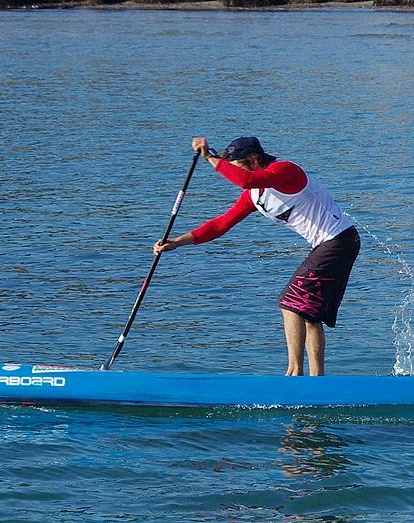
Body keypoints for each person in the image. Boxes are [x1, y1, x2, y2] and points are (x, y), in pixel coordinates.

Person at [154, 136, 360, 376]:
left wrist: (210, 157)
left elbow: (246, 180)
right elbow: (220, 225)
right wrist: (177, 242)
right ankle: (318, 382)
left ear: (254, 159)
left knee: (291, 304)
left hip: (338, 241)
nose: (234, 173)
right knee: (308, 314)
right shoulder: (254, 196)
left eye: (237, 166)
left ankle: (293, 375)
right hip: (332, 245)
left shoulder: (285, 170)